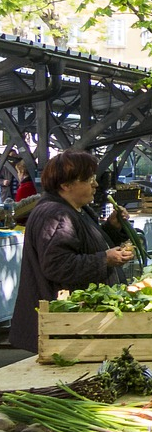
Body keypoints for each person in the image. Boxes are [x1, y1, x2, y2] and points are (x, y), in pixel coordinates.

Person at [11, 150, 136, 353]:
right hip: (62, 328)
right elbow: (58, 266)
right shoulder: (56, 215)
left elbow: (86, 245)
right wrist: (104, 259)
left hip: (73, 326)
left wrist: (113, 228)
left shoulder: (76, 209)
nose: (95, 184)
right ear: (66, 185)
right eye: (88, 180)